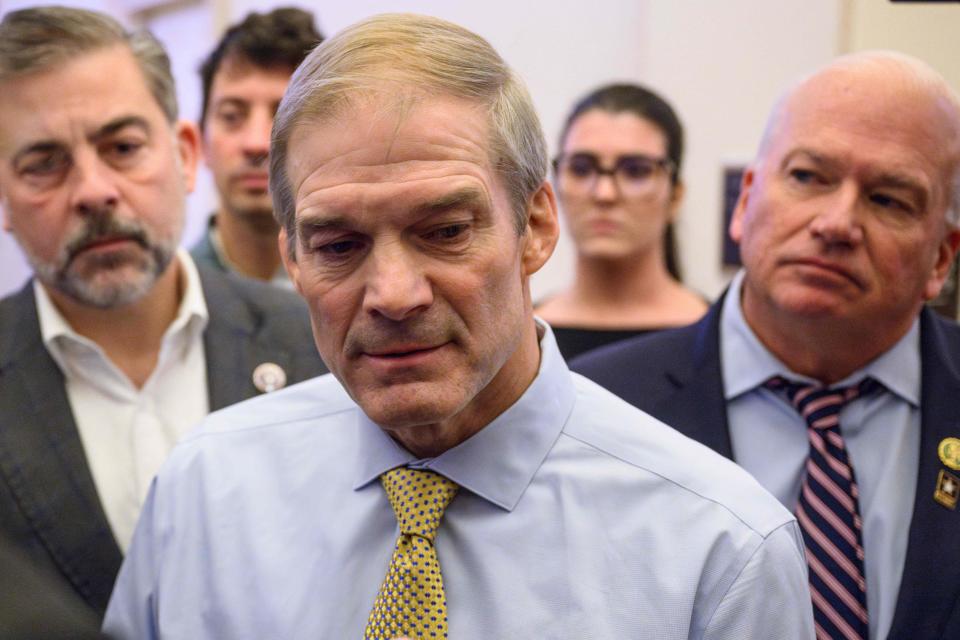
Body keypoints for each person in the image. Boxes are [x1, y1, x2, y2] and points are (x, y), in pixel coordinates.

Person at [103, 13, 813, 640]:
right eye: (339, 246)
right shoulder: (204, 497)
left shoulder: (717, 551)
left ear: (535, 226)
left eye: (443, 230)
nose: (393, 294)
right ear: (292, 257)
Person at [572, 51, 960, 640]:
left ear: (941, 258)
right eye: (808, 177)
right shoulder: (595, 407)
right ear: (746, 199)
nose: (836, 223)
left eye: (888, 199)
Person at [0, 6, 325, 621]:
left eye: (122, 147)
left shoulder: (315, 348)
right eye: (44, 163)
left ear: (184, 152)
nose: (94, 191)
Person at [536, 83, 707, 360]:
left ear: (675, 196)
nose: (604, 194)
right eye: (581, 168)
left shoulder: (716, 337)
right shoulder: (523, 338)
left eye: (636, 171)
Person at [190, 8, 323, 283]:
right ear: (200, 141)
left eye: (283, 116)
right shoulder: (168, 301)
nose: (257, 144)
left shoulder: (359, 297)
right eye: (231, 116)